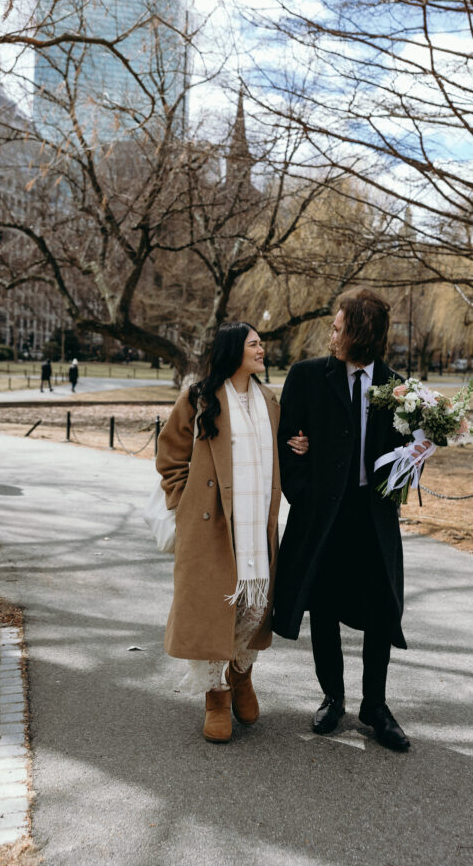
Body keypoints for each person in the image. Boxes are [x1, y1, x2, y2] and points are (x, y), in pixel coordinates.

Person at [274, 287, 431, 752]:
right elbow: (287, 442)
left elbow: (407, 453)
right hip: (322, 515)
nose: (332, 334)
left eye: (339, 328)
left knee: (382, 609)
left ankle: (375, 706)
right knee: (323, 607)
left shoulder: (399, 389)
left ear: (361, 333)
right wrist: (303, 494)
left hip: (373, 516)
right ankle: (333, 698)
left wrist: (419, 453)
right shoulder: (306, 376)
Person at [156, 322, 308, 744]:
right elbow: (170, 454)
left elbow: (279, 450)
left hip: (258, 523)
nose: (261, 350)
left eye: (261, 344)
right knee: (212, 609)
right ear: (233, 351)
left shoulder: (270, 401)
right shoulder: (199, 398)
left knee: (253, 606)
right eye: (254, 344)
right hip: (211, 524)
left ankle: (241, 674)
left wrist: (300, 447)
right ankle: (216, 696)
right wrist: (183, 501)